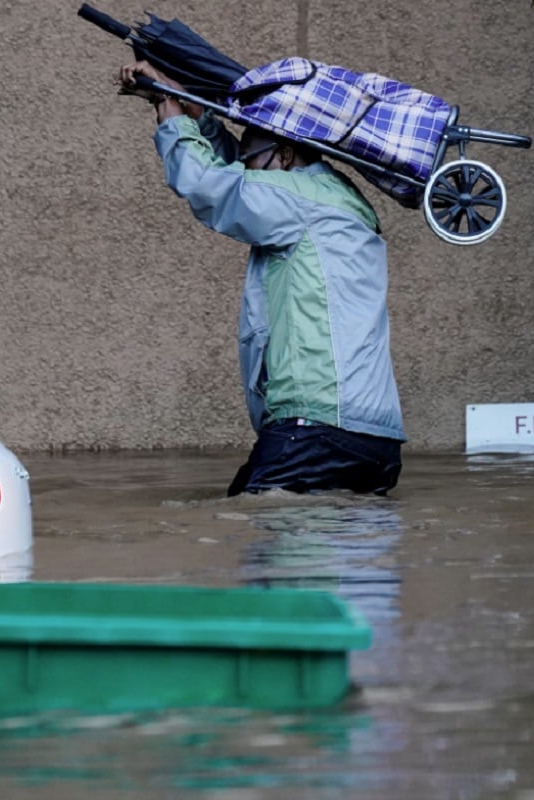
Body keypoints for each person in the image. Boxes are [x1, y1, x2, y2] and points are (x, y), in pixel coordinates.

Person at [118, 61, 405, 497]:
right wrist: (200, 116)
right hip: (375, 442)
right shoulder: (334, 198)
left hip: (314, 429)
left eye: (254, 160)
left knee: (264, 544)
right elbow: (243, 171)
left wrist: (169, 111)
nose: (249, 170)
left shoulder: (298, 201)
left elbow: (211, 185)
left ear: (287, 156)